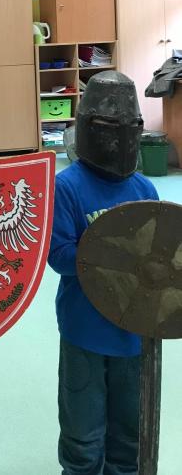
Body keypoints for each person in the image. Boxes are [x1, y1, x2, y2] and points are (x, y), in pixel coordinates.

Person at [47, 71, 159, 475]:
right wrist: (116, 254)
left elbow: (162, 263)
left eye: (128, 126)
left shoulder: (144, 191)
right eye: (109, 126)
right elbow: (59, 255)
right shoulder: (67, 187)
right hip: (85, 332)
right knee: (83, 437)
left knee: (128, 438)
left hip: (133, 335)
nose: (119, 134)